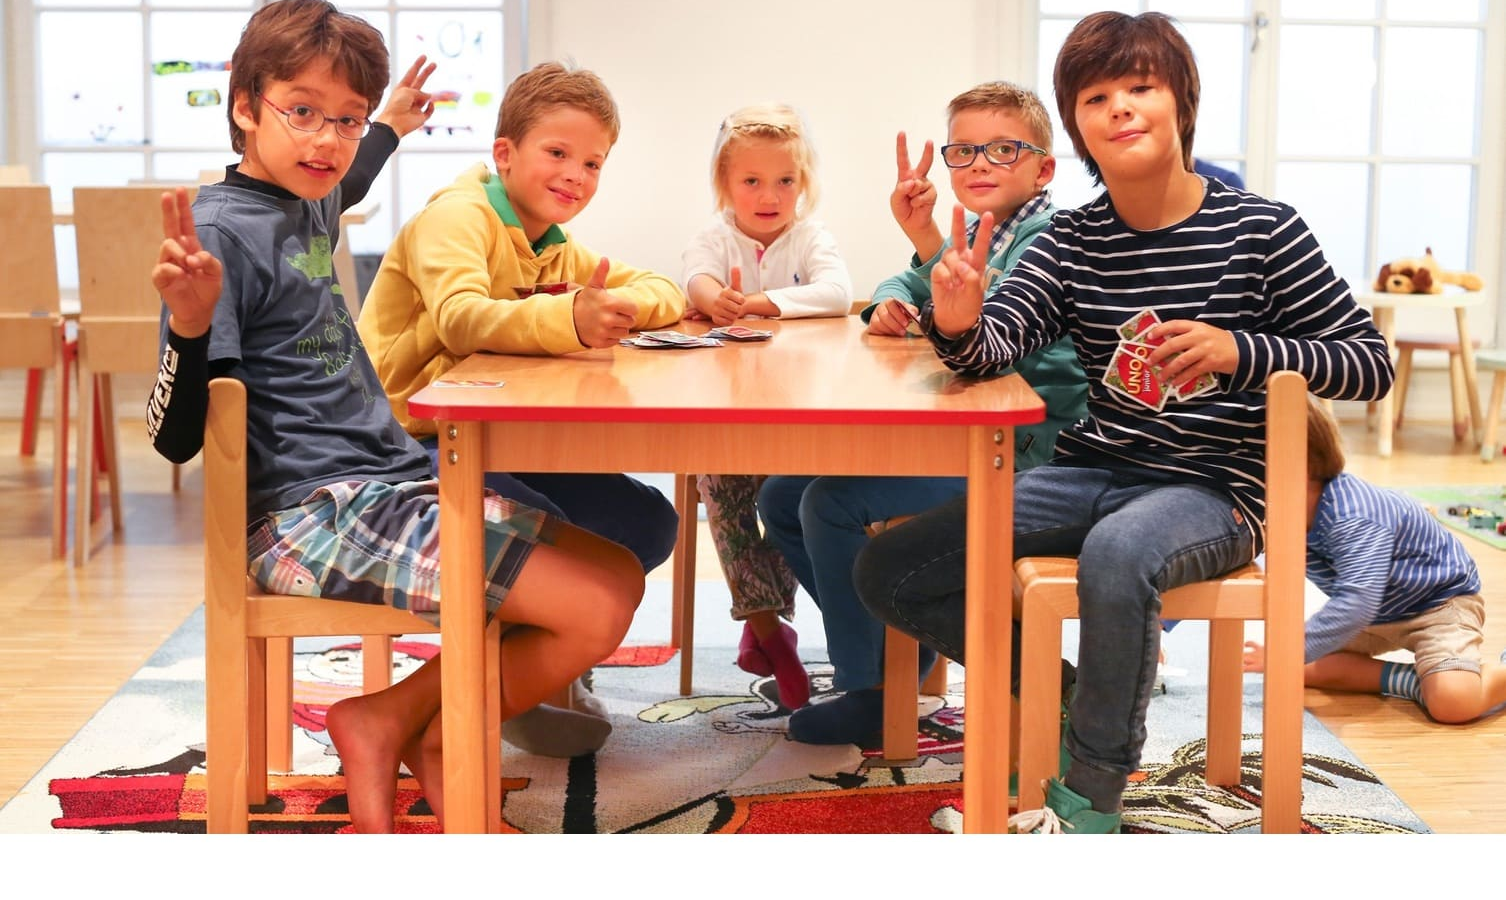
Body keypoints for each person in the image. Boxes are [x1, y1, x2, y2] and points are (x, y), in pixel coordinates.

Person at [852, 10, 1394, 834]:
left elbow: (1369, 363)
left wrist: (1237, 349)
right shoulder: (1071, 239)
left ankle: (1089, 800)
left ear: (1181, 102)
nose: (1120, 108)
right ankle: (1066, 694)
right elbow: (995, 349)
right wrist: (958, 320)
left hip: (1215, 490)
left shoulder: (1263, 229)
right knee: (890, 564)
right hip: (1088, 470)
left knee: (1117, 555)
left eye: (1140, 87)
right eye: (1097, 96)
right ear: (1077, 129)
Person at [146, 0, 643, 833]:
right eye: (301, 112)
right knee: (589, 605)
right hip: (310, 514)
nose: (326, 141)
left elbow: (350, 172)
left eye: (344, 121)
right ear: (242, 105)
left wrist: (389, 127)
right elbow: (176, 437)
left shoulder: (304, 196)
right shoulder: (219, 235)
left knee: (619, 573)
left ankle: (400, 720)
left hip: (392, 481)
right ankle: (424, 729)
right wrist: (192, 326)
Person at [357, 61, 686, 756]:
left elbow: (655, 286)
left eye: (592, 163)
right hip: (405, 441)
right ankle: (486, 695)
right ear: (504, 154)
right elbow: (461, 319)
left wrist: (614, 305)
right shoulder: (458, 217)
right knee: (551, 531)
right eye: (558, 153)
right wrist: (571, 316)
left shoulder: (550, 241)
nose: (576, 175)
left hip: (491, 436)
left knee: (648, 521)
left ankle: (531, 675)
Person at [757, 82, 1087, 745]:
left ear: (1044, 168)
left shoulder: (1048, 238)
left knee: (828, 503)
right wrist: (890, 299)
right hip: (973, 436)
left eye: (1002, 149)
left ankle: (872, 691)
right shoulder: (986, 236)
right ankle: (897, 646)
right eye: (963, 152)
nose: (980, 165)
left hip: (1030, 455)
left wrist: (930, 242)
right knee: (782, 496)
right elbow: (911, 282)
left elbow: (989, 319)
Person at [679, 103, 854, 711]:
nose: (769, 195)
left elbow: (836, 293)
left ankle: (769, 628)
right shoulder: (715, 235)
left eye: (785, 180)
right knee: (721, 487)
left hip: (797, 410)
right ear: (725, 184)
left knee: (786, 495)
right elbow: (694, 279)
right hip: (724, 408)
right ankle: (765, 629)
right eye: (751, 180)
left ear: (802, 184)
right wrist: (713, 296)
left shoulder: (810, 236)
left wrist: (762, 303)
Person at [1242, 397, 1506, 724]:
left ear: (1302, 465)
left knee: (1453, 703)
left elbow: (1357, 602)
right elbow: (1227, 563)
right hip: (1378, 613)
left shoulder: (1352, 516)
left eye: (1246, 465)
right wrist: (1163, 622)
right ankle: (1413, 682)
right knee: (1293, 670)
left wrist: (1285, 649)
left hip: (1437, 604)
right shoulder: (1280, 512)